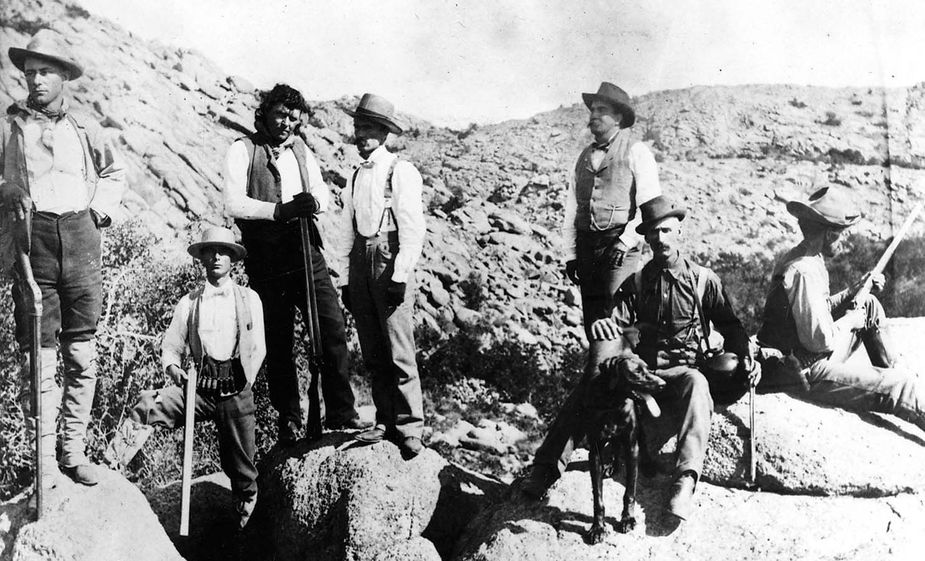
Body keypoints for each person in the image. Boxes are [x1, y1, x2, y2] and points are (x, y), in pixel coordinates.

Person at [522, 196, 760, 521]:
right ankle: (547, 466)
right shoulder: (636, 282)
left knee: (698, 384)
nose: (660, 238)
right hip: (642, 375)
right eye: (653, 233)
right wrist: (605, 324)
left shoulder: (703, 280)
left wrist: (748, 357)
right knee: (591, 385)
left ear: (679, 232)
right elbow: (616, 321)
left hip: (681, 375)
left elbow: (732, 327)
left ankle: (685, 481)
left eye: (666, 230)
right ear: (646, 238)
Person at [0, 29, 125, 487]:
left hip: (81, 241)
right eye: (30, 72)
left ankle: (73, 453)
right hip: (35, 250)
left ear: (65, 77)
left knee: (82, 352)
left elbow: (114, 173)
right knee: (40, 357)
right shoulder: (10, 127)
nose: (35, 80)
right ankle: (45, 464)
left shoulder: (86, 127)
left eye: (45, 71)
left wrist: (98, 214)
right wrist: (5, 188)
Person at [223, 83, 365, 445]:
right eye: (281, 115)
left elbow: (322, 195)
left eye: (294, 119)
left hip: (305, 250)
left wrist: (311, 204)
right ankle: (289, 420)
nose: (287, 124)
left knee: (331, 327)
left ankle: (341, 413)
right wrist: (277, 211)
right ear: (266, 113)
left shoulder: (301, 149)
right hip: (267, 256)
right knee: (278, 340)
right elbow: (233, 203)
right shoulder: (243, 149)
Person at [105, 227, 265, 529]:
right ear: (201, 258)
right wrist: (173, 368)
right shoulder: (189, 303)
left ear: (233, 259)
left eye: (223, 251)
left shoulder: (249, 298)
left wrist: (245, 386)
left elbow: (259, 348)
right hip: (198, 389)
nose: (216, 256)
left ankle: (244, 528)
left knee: (243, 470)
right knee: (148, 405)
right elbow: (171, 346)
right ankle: (110, 467)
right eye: (210, 251)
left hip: (236, 389)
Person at [756, 187, 925, 432]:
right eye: (842, 234)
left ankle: (887, 376)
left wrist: (857, 288)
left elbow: (819, 310)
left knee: (868, 305)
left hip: (810, 356)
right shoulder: (801, 271)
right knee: (902, 384)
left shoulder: (808, 258)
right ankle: (897, 390)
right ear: (828, 234)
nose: (845, 240)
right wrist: (850, 321)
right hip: (803, 371)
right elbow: (819, 341)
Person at [332, 93, 427, 459]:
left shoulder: (400, 171)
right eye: (358, 128)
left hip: (388, 258)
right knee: (372, 348)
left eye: (369, 129)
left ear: (385, 133)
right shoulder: (355, 176)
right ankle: (385, 419)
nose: (361, 135)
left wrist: (400, 274)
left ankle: (410, 426)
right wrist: (344, 279)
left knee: (398, 347)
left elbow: (412, 228)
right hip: (360, 259)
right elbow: (345, 229)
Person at [562, 81, 661, 333]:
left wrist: (625, 242)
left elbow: (649, 207)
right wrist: (571, 255)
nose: (593, 115)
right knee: (593, 322)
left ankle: (622, 369)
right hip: (586, 248)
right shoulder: (581, 156)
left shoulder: (637, 151)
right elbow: (572, 211)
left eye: (601, 110)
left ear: (618, 117)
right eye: (592, 110)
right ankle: (601, 371)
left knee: (616, 317)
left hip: (619, 246)